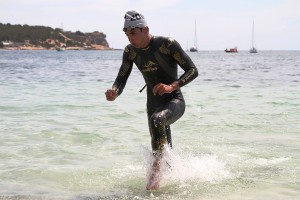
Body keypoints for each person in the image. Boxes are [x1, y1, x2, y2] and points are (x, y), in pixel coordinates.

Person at [105, 10, 198, 190]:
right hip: (153, 104)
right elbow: (121, 78)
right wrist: (115, 92)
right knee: (162, 145)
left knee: (157, 121)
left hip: (174, 101)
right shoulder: (130, 51)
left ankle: (153, 183)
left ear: (145, 29)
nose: (129, 38)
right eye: (126, 34)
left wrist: (172, 86)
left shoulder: (167, 45)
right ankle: (174, 180)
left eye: (133, 33)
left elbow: (193, 70)